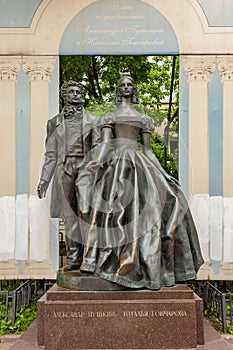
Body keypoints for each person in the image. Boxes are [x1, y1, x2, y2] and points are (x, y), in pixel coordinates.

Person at [77, 72, 204, 290]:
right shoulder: (109, 117)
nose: (126, 87)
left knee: (169, 199)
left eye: (130, 84)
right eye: (123, 84)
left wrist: (163, 172)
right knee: (111, 210)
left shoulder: (144, 119)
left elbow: (148, 150)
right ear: (119, 90)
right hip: (117, 164)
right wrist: (96, 161)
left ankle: (152, 267)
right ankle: (104, 261)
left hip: (139, 163)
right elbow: (106, 143)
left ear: (134, 90)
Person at [37, 80, 100, 271]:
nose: (75, 94)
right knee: (70, 215)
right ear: (64, 95)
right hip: (64, 169)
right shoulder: (54, 122)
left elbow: (98, 146)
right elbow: (50, 153)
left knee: (87, 212)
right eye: (71, 92)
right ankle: (73, 258)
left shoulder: (93, 121)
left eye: (78, 91)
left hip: (86, 168)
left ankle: (91, 257)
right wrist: (44, 180)